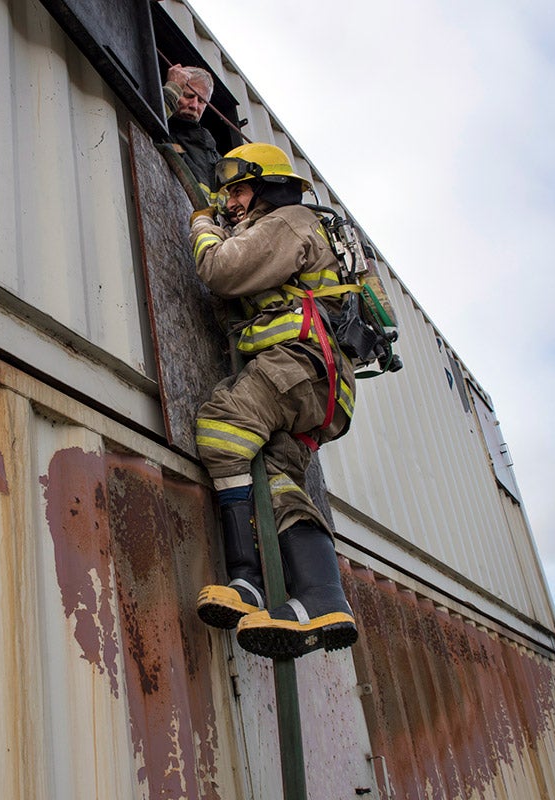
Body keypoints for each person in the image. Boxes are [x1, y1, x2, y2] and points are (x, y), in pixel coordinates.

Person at [188, 142, 360, 660]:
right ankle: (321, 598)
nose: (232, 201)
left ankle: (247, 581)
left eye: (239, 189)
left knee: (223, 426)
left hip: (298, 364)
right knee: (280, 483)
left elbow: (221, 271)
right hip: (319, 382)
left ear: (266, 185)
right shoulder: (304, 227)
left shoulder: (288, 221)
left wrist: (202, 227)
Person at [163, 64, 219, 189]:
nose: (194, 105)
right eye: (188, 96)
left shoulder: (212, 154)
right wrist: (172, 90)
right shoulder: (163, 130)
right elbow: (148, 120)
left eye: (201, 101)